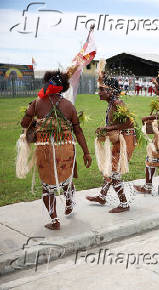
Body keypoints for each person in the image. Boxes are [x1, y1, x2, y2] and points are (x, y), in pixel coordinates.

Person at [20, 70, 92, 230]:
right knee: (66, 179)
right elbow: (78, 131)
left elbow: (24, 124)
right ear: (63, 87)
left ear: (47, 84)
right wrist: (86, 152)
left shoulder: (38, 102)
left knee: (47, 187)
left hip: (45, 150)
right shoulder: (69, 106)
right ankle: (68, 202)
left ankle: (55, 221)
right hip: (66, 149)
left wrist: (31, 109)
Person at [86, 76, 136, 213]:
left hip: (126, 140)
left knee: (114, 173)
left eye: (102, 89)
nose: (99, 92)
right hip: (121, 139)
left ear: (112, 91)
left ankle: (124, 204)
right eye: (99, 89)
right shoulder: (112, 103)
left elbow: (129, 123)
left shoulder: (117, 103)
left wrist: (107, 129)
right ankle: (102, 196)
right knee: (109, 168)